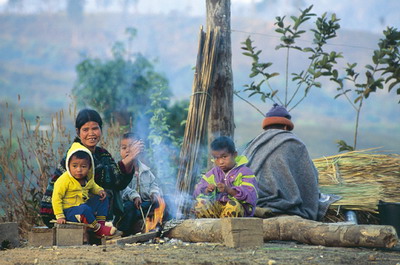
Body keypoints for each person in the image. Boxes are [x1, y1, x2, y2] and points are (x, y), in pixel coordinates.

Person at [40, 109, 137, 227]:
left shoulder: (102, 154)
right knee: (106, 192)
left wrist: (130, 160)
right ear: (78, 132)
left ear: (101, 129)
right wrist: (129, 157)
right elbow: (104, 177)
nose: (91, 133)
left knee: (117, 199)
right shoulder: (76, 154)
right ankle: (99, 229)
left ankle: (103, 226)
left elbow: (119, 183)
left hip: (83, 206)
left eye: (95, 128)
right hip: (60, 212)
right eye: (85, 129)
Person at [242, 103, 339, 220]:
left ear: (266, 127)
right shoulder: (293, 142)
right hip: (279, 205)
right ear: (285, 127)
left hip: (249, 199)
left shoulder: (252, 144)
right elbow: (309, 178)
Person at [52, 142, 116, 236]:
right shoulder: (63, 180)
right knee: (84, 209)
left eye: (83, 166)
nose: (79, 170)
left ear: (89, 167)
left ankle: (101, 225)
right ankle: (98, 229)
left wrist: (99, 190)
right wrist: (60, 216)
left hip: (83, 206)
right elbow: (56, 198)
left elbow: (92, 185)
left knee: (102, 198)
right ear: (68, 165)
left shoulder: (87, 178)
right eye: (74, 166)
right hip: (70, 212)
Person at [193, 136, 258, 218]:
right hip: (217, 210)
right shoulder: (212, 173)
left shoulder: (245, 172)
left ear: (234, 155)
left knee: (233, 206)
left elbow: (250, 196)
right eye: (216, 158)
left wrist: (229, 190)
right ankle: (210, 228)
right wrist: (207, 190)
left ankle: (227, 229)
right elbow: (197, 192)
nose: (220, 162)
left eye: (224, 157)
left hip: (238, 211)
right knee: (200, 204)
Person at [115, 133, 166, 236]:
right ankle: (122, 231)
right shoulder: (118, 170)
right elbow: (122, 188)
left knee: (165, 201)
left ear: (139, 149)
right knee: (128, 207)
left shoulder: (146, 170)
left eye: (131, 147)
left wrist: (154, 193)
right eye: (124, 148)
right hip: (129, 206)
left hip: (144, 207)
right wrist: (134, 196)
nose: (128, 151)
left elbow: (153, 185)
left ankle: (158, 225)